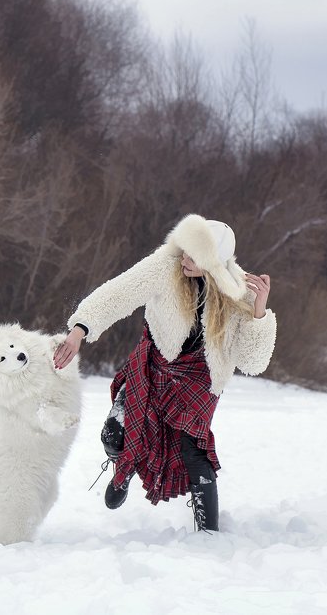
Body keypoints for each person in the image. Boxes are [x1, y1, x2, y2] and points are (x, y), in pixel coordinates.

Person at [53, 214, 277, 532]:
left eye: (195, 256)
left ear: (214, 263)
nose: (185, 258)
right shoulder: (165, 266)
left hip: (201, 379)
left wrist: (259, 313)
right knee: (115, 435)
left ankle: (209, 534)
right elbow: (118, 293)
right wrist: (79, 329)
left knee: (194, 452)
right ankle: (123, 464)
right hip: (155, 363)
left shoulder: (241, 293)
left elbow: (253, 364)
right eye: (185, 249)